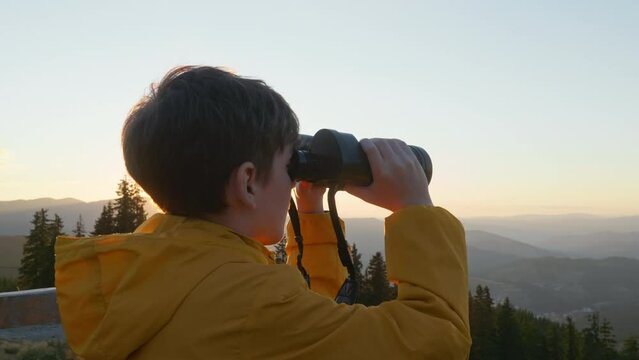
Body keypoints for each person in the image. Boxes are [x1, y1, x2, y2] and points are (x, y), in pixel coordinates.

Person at [55, 66, 471, 359]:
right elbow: (437, 341)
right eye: (290, 165)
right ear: (248, 182)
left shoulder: (156, 265)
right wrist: (413, 207)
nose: (294, 179)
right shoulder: (252, 306)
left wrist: (309, 211)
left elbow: (303, 328)